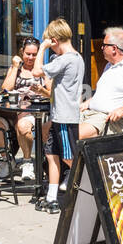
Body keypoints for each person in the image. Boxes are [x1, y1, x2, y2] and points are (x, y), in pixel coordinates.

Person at [36, 19, 84, 212]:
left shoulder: (66, 59)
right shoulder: (76, 58)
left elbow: (36, 70)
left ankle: (90, 190)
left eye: (50, 43)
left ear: (54, 41)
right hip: (59, 115)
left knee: (70, 158)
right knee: (52, 155)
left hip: (65, 117)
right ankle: (52, 197)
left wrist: (42, 47)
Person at [0, 37, 46, 180]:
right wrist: (15, 67)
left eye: (34, 54)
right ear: (22, 52)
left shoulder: (43, 70)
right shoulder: (16, 69)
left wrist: (41, 91)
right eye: (28, 54)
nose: (31, 58)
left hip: (31, 110)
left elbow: (51, 93)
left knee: (23, 127)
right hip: (10, 111)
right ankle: (7, 160)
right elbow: (5, 89)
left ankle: (27, 162)